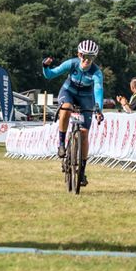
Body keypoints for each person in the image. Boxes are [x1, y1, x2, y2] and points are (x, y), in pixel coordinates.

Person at [41, 39, 106, 186]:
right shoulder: (72, 64)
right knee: (66, 109)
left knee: (84, 133)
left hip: (86, 97)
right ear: (79, 54)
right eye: (84, 56)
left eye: (91, 57)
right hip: (68, 91)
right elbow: (51, 74)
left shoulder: (96, 73)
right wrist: (45, 67)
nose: (87, 60)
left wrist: (98, 109)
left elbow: (98, 91)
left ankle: (82, 172)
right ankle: (62, 144)